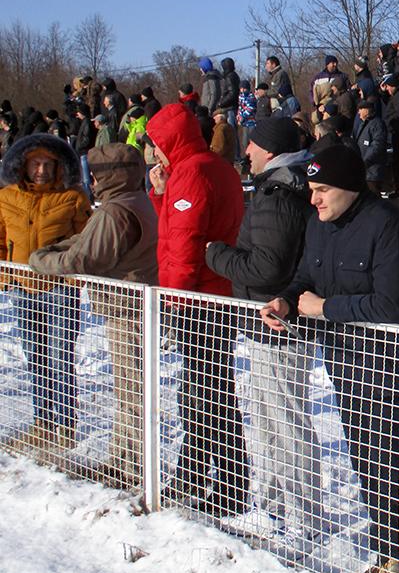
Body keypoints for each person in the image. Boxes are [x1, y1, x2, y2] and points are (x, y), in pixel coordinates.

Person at [258, 144, 399, 573]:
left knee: (384, 458)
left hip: (388, 362)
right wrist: (287, 301)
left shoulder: (388, 226)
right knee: (367, 457)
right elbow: (305, 278)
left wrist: (325, 308)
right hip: (342, 358)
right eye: (311, 189)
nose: (313, 199)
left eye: (322, 190)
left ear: (350, 187)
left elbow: (391, 305)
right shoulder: (320, 224)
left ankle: (396, 557)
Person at [204, 117, 323, 550]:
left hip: (280, 324)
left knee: (287, 422)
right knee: (270, 420)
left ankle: (304, 520)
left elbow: (266, 268)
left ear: (269, 151)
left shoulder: (277, 194)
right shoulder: (281, 187)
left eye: (252, 146)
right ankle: (272, 506)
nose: (246, 153)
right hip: (268, 321)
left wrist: (216, 256)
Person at [28, 143, 158, 487]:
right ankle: (121, 460)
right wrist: (58, 247)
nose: (94, 182)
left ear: (108, 175)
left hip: (126, 306)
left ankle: (129, 468)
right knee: (130, 390)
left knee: (131, 392)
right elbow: (87, 241)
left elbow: (84, 259)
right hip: (131, 304)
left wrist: (39, 261)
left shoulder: (115, 210)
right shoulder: (133, 200)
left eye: (97, 175)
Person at [146, 103, 249, 517]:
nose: (154, 155)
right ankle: (194, 470)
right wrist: (159, 193)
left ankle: (229, 484)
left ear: (170, 141)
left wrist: (175, 300)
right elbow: (176, 225)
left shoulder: (193, 172)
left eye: (156, 146)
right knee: (199, 391)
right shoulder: (205, 167)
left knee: (209, 394)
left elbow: (186, 245)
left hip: (201, 298)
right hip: (208, 292)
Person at [0, 134, 90, 454]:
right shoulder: (6, 197)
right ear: (23, 166)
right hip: (23, 289)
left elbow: (84, 241)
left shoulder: (73, 197)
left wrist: (73, 279)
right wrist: (5, 274)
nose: (40, 170)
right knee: (35, 357)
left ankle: (65, 425)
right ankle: (43, 422)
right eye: (35, 164)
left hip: (59, 289)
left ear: (58, 167)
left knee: (60, 357)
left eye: (47, 164)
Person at [354, 99, 388, 193]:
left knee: (374, 197)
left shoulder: (377, 124)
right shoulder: (364, 124)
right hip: (365, 170)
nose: (358, 112)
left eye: (361, 109)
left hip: (373, 170)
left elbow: (377, 144)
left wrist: (365, 160)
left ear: (367, 110)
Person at [219, 58, 241, 127]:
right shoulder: (233, 75)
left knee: (231, 131)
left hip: (230, 108)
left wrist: (221, 103)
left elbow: (232, 93)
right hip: (231, 107)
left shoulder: (230, 77)